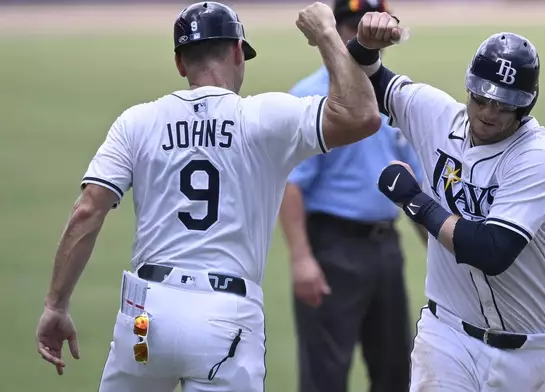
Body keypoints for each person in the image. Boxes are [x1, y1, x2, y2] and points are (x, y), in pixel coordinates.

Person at [34, 2, 382, 391]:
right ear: (237, 52)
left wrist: (55, 305)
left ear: (181, 63)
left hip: (148, 314)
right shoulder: (264, 118)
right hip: (227, 317)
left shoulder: (136, 121)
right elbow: (362, 115)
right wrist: (326, 35)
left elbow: (87, 212)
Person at [345, 12, 545, 392]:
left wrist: (414, 200)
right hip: (447, 336)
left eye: (503, 105)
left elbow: (490, 250)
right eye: (481, 98)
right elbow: (363, 77)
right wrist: (365, 44)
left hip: (533, 355)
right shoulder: (434, 115)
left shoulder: (538, 158)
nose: (487, 112)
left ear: (524, 106)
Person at [278, 1, 426, 391]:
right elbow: (291, 184)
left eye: (373, 28)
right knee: (325, 374)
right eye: (353, 27)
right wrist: (302, 259)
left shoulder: (396, 97)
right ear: (337, 30)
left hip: (385, 248)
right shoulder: (311, 96)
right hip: (332, 249)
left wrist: (439, 254)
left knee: (396, 370)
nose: (364, 37)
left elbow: (415, 184)